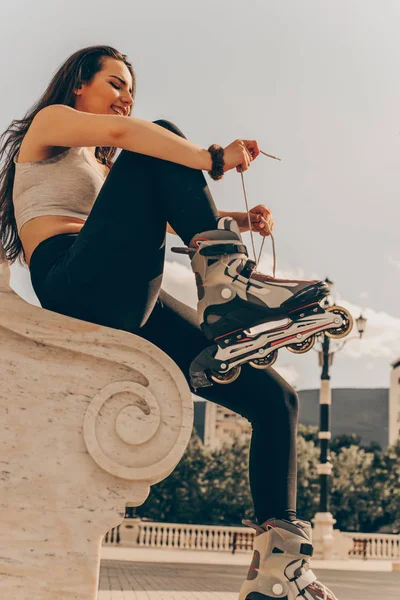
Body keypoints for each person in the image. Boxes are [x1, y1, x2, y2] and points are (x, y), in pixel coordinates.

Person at [0, 45, 338, 600]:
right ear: (79, 84)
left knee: (275, 400)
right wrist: (212, 159)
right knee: (161, 135)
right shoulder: (51, 125)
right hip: (72, 282)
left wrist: (235, 219)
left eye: (129, 90)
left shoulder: (112, 168)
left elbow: (142, 203)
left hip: (123, 295)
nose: (124, 99)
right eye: (114, 85)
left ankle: (280, 565)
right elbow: (139, 137)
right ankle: (229, 282)